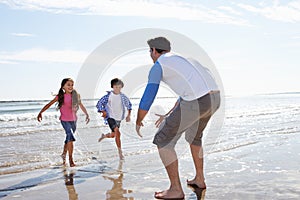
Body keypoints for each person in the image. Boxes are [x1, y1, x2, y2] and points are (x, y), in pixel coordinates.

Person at [136, 37, 221, 199]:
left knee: (162, 140)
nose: (151, 55)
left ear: (154, 51)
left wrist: (138, 120)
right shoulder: (183, 60)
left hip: (198, 101)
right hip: (215, 98)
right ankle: (200, 179)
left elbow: (149, 95)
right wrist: (168, 114)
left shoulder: (159, 65)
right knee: (194, 137)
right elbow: (190, 91)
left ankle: (175, 189)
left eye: (150, 51)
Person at [37, 78, 90, 167]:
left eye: (72, 85)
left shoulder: (75, 95)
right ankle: (71, 160)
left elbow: (81, 105)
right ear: (63, 87)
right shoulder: (60, 96)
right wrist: (41, 112)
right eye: (68, 85)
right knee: (70, 136)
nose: (70, 86)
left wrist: (87, 114)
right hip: (64, 120)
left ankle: (63, 154)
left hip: (73, 121)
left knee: (68, 139)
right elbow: (49, 104)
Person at [96, 78, 132, 160]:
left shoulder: (123, 97)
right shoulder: (108, 96)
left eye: (119, 87)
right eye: (116, 86)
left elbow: (129, 105)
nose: (117, 88)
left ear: (121, 87)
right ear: (112, 87)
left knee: (114, 135)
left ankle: (104, 136)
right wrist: (103, 111)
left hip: (118, 118)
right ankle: (120, 153)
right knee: (117, 132)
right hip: (110, 117)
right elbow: (99, 104)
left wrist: (128, 115)